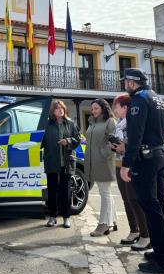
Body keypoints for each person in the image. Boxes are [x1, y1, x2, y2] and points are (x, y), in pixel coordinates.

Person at [119, 68, 164, 274]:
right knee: (160, 203)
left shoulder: (139, 99)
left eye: (125, 81)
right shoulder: (155, 97)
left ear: (132, 83)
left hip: (146, 159)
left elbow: (136, 134)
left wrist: (126, 163)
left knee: (151, 206)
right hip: (159, 154)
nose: (124, 85)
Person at [111, 94, 150, 251]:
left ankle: (145, 234)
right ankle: (134, 231)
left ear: (125, 107)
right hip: (119, 163)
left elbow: (138, 142)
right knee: (127, 199)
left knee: (134, 198)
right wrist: (114, 146)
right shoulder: (120, 123)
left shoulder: (133, 122)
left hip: (131, 165)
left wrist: (124, 147)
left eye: (117, 106)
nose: (115, 109)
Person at [41, 99, 80, 228]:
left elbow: (77, 139)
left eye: (62, 108)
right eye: (57, 108)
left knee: (66, 192)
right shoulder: (46, 125)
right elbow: (40, 143)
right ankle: (52, 217)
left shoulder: (70, 123)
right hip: (52, 161)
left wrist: (68, 141)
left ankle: (66, 217)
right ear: (53, 111)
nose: (60, 110)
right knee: (52, 191)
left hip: (67, 163)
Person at [84, 98, 118, 236]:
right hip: (94, 162)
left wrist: (104, 154)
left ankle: (103, 224)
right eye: (92, 109)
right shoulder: (92, 123)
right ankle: (113, 220)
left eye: (96, 108)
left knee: (104, 193)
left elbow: (114, 142)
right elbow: (95, 141)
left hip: (104, 162)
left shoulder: (110, 122)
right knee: (106, 192)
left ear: (103, 108)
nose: (93, 111)